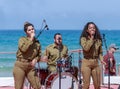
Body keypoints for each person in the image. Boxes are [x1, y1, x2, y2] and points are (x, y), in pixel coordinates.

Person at [13, 22, 41, 89]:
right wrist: (31, 39)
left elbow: (39, 55)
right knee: (19, 87)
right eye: (29, 30)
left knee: (37, 86)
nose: (32, 31)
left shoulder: (37, 43)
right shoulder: (22, 39)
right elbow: (23, 49)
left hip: (30, 67)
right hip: (20, 65)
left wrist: (36, 59)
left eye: (32, 29)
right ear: (26, 32)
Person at [79, 22, 106, 89]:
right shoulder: (83, 39)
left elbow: (100, 52)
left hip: (95, 63)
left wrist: (101, 60)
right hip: (86, 62)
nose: (92, 29)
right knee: (86, 84)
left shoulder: (98, 40)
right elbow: (86, 48)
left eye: (93, 28)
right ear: (87, 30)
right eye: (90, 28)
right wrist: (91, 38)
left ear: (95, 29)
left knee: (97, 85)